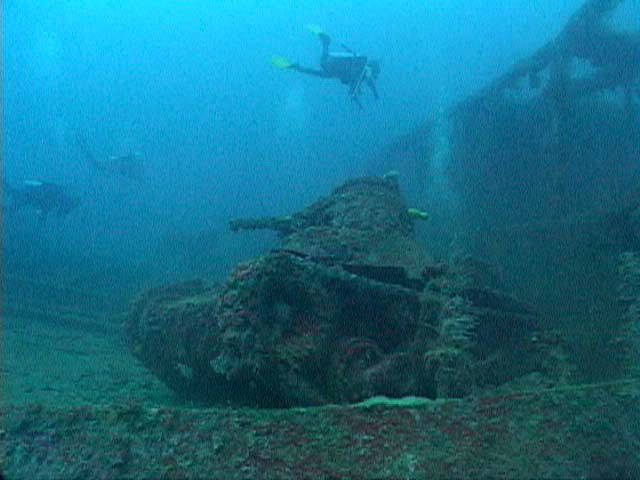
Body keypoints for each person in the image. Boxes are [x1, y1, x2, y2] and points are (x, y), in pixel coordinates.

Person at [273, 26, 380, 107]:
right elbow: (361, 82)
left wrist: (373, 95)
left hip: (333, 72)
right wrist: (359, 92)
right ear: (370, 68)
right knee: (322, 64)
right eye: (374, 74)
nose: (371, 77)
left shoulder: (362, 74)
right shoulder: (361, 69)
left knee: (316, 72)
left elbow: (365, 84)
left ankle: (294, 66)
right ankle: (325, 42)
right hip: (334, 67)